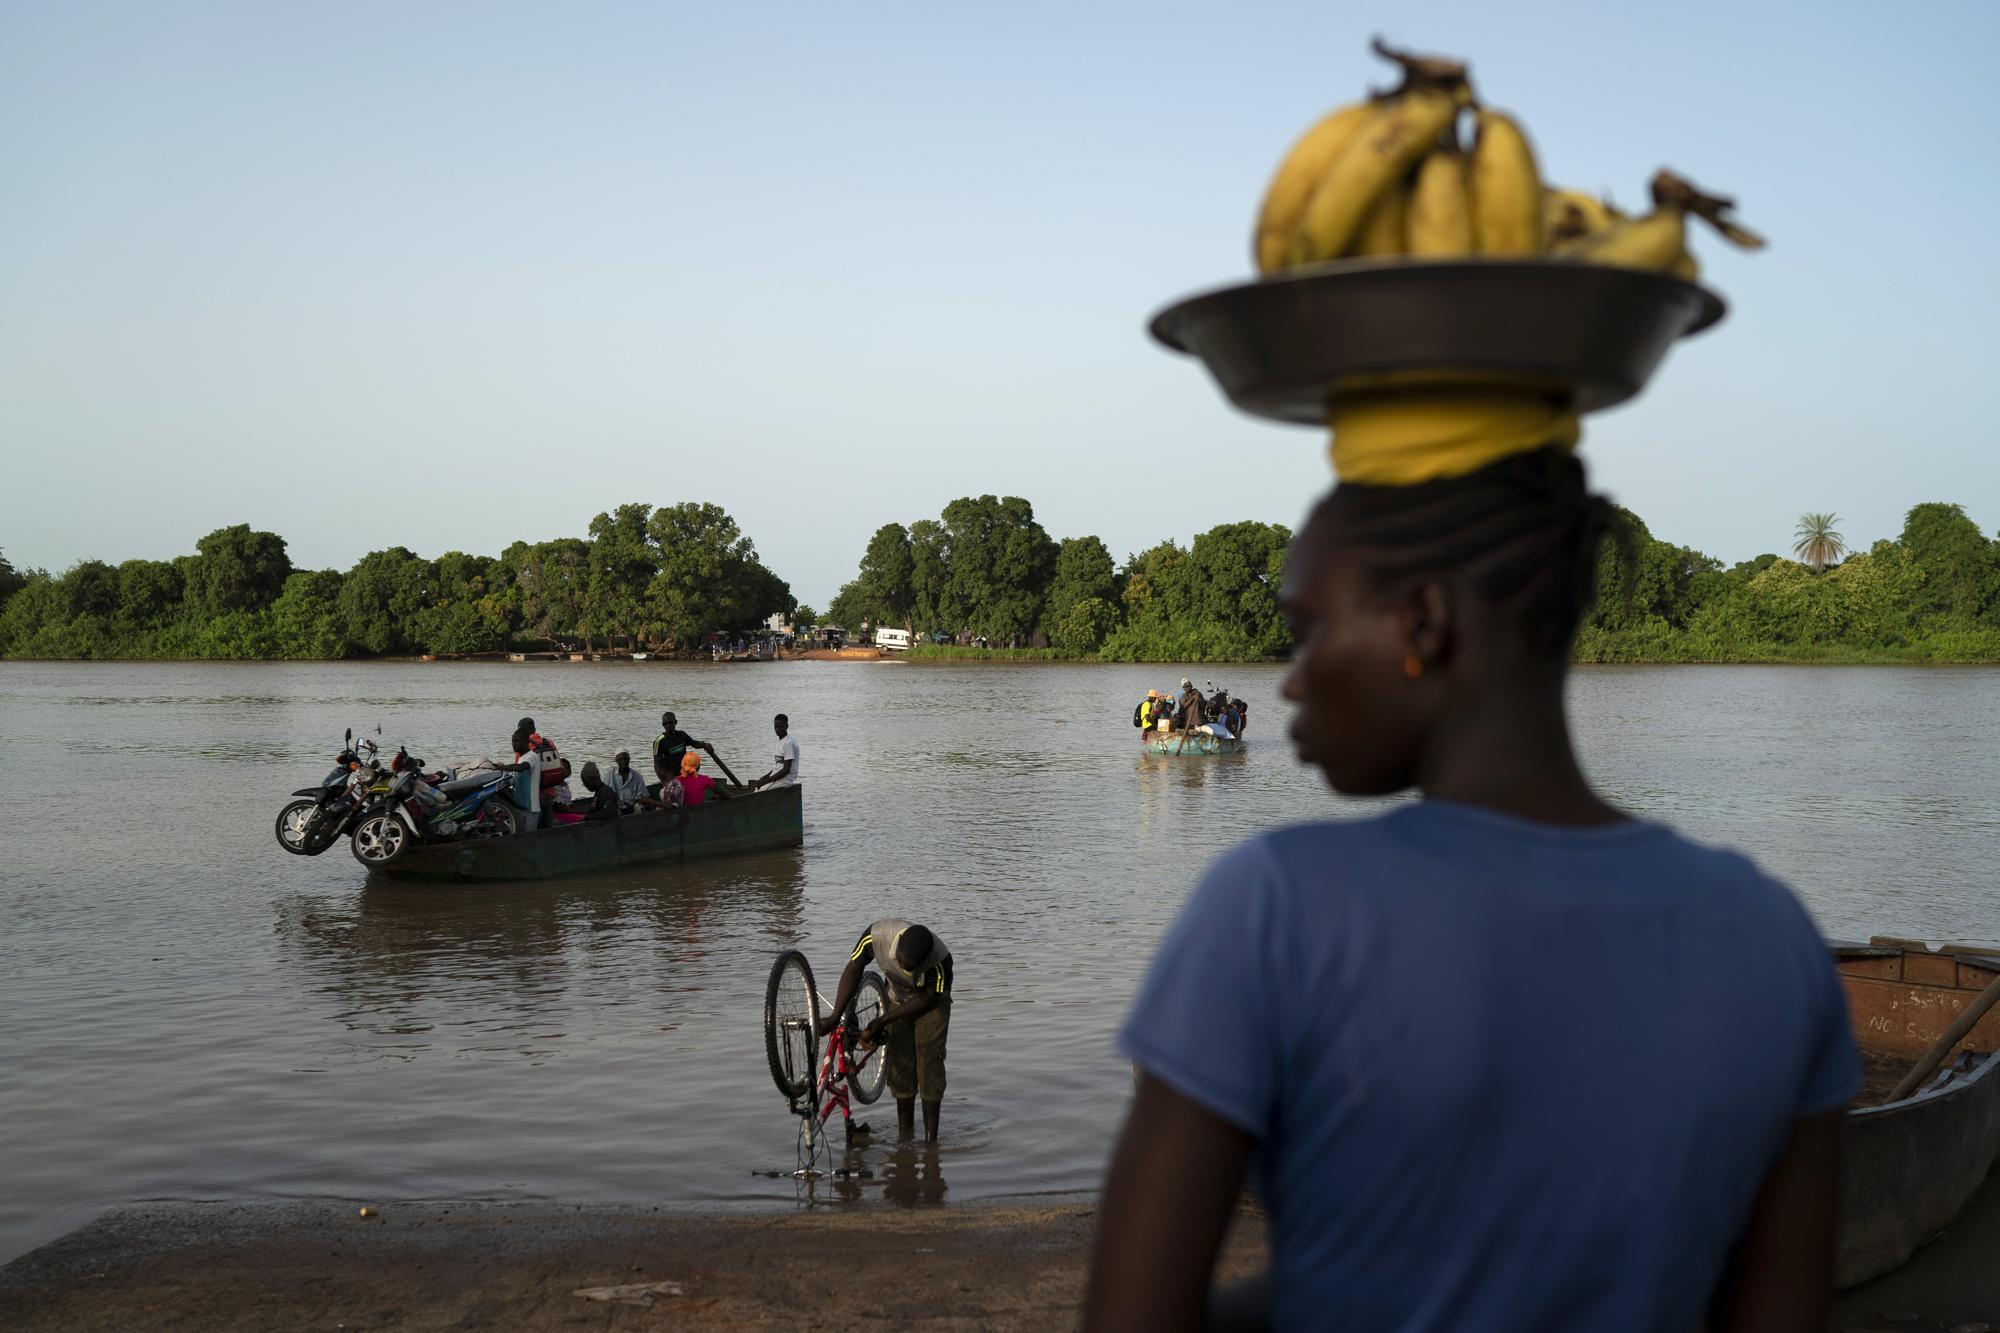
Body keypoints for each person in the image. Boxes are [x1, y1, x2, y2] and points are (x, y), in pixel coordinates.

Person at [1085, 450, 1857, 1332]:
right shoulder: (1771, 933)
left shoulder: (1275, 906)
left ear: (1424, 623)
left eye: (1308, 630)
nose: (1293, 680)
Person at [818, 920, 953, 1142]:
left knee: (929, 1064)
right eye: (898, 962)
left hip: (931, 1006)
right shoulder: (876, 936)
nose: (901, 967)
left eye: (908, 967)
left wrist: (882, 1021)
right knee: (900, 1063)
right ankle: (905, 1136)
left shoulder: (940, 961)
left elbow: (929, 997)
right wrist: (835, 1017)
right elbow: (854, 967)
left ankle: (931, 1143)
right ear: (897, 945)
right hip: (896, 997)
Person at [505, 723, 547, 831]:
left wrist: (503, 767)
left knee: (528, 838)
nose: (514, 744)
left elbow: (522, 767)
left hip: (531, 808)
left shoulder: (532, 756)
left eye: (517, 741)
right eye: (513, 741)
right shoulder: (521, 758)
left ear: (526, 742)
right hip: (520, 806)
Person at [652, 711, 714, 785]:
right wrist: (663, 781)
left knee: (694, 758)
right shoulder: (658, 742)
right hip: (671, 776)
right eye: (665, 724)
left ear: (675, 722)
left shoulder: (682, 735)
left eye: (670, 723)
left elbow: (694, 744)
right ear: (663, 725)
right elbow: (657, 764)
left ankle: (691, 779)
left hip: (684, 772)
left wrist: (705, 745)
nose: (668, 726)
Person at [748, 714, 800, 791]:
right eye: (776, 727)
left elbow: (786, 770)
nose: (777, 729)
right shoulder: (781, 741)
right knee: (758, 786)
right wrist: (764, 777)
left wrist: (765, 782)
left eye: (780, 727)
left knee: (759, 790)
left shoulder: (788, 743)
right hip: (779, 778)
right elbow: (778, 766)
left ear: (786, 726)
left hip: (785, 779)